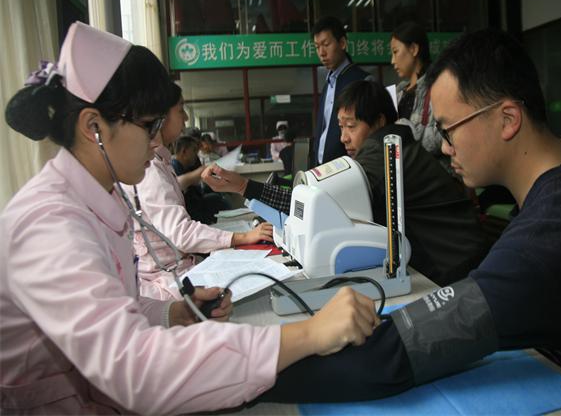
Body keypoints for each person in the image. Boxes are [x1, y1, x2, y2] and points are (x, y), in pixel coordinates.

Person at [0, 22, 380, 414]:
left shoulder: (95, 197)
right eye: (149, 126)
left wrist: (171, 313)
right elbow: (134, 368)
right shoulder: (50, 226)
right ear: (94, 127)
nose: (157, 142)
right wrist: (309, 334)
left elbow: (110, 308)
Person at [259, 28, 561, 414]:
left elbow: (395, 353)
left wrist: (248, 369)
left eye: (448, 129)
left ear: (508, 119)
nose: (443, 145)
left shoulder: (553, 234)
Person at [205, 81, 488, 286]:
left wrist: (245, 187)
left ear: (378, 122)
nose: (343, 137)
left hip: (454, 272)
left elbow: (311, 204)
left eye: (351, 126)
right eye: (341, 127)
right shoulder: (394, 146)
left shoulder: (383, 154)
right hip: (457, 261)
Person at [126, 84, 272, 300]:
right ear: (160, 117)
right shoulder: (151, 168)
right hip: (168, 283)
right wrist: (243, 237)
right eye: (180, 110)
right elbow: (181, 234)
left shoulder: (160, 162)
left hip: (177, 271)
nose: (185, 118)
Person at [311, 16, 371, 167]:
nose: (321, 52)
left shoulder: (362, 81)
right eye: (317, 47)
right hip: (322, 169)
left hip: (348, 169)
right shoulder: (328, 84)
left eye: (326, 44)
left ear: (342, 43)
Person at [391, 22, 450, 172]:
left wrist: (408, 133)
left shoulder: (439, 87)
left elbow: (447, 134)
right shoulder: (398, 93)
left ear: (414, 49)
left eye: (395, 52)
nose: (392, 61)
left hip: (433, 178)